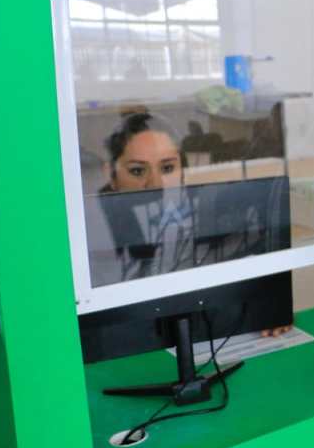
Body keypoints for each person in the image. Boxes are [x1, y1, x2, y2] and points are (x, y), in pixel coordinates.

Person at [97, 112, 290, 336]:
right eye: (137, 171)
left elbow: (260, 282)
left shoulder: (212, 222)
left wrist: (270, 310)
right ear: (109, 174)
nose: (156, 183)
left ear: (183, 171)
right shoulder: (94, 238)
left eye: (168, 168)